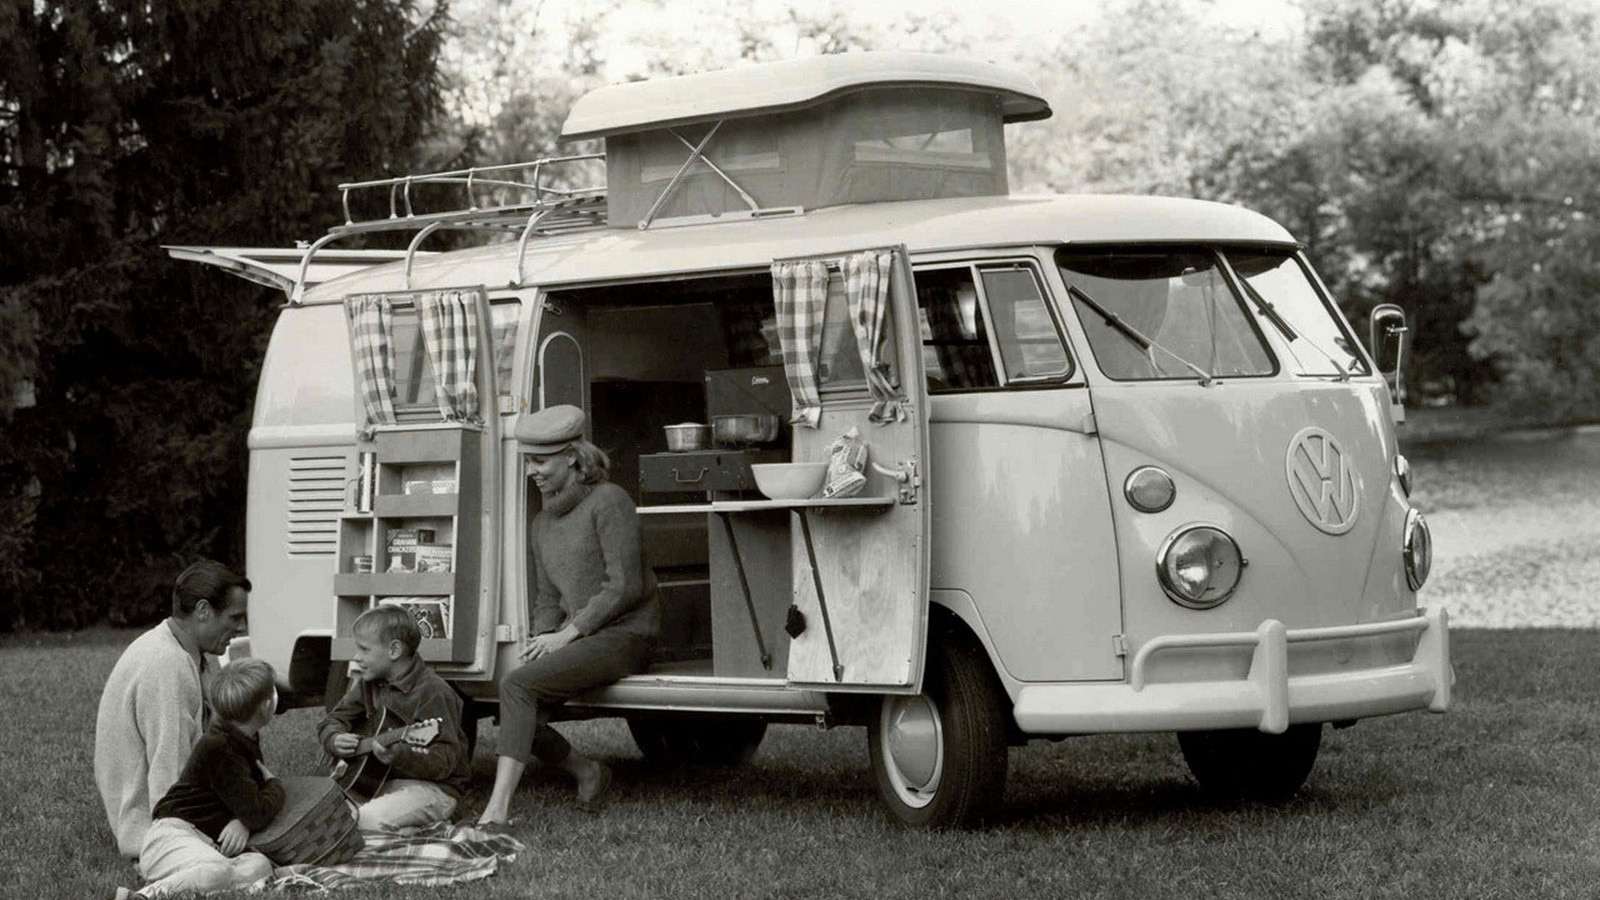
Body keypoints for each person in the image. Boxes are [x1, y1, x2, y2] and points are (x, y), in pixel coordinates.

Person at [477, 404, 660, 826]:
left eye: (540, 462)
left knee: (518, 687)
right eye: (529, 462)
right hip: (583, 636)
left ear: (574, 458)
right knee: (517, 701)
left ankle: (496, 813)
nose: (532, 472)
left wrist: (568, 634)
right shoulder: (542, 523)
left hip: (628, 634)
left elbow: (625, 586)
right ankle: (588, 770)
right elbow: (547, 597)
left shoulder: (610, 501)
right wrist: (540, 640)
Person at [96, 559, 252, 858]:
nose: (241, 627)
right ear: (203, 611)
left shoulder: (183, 650)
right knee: (263, 854)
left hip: (178, 811)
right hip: (158, 829)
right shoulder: (166, 664)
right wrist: (235, 819)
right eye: (234, 617)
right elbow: (170, 782)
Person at [115, 658, 284, 899]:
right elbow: (256, 812)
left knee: (260, 866)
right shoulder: (221, 746)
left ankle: (186, 882)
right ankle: (144, 896)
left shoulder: (241, 737)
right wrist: (274, 785)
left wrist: (242, 821)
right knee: (217, 872)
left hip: (205, 845)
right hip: (171, 837)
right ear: (266, 706)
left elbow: (245, 801)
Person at [318, 604, 472, 832]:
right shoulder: (369, 684)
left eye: (364, 649)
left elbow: (445, 760)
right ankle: (407, 829)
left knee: (364, 820)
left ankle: (419, 828)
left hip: (434, 790)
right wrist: (334, 739)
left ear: (394, 650)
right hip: (378, 782)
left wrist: (401, 755)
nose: (356, 657)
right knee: (323, 814)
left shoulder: (433, 692)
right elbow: (333, 720)